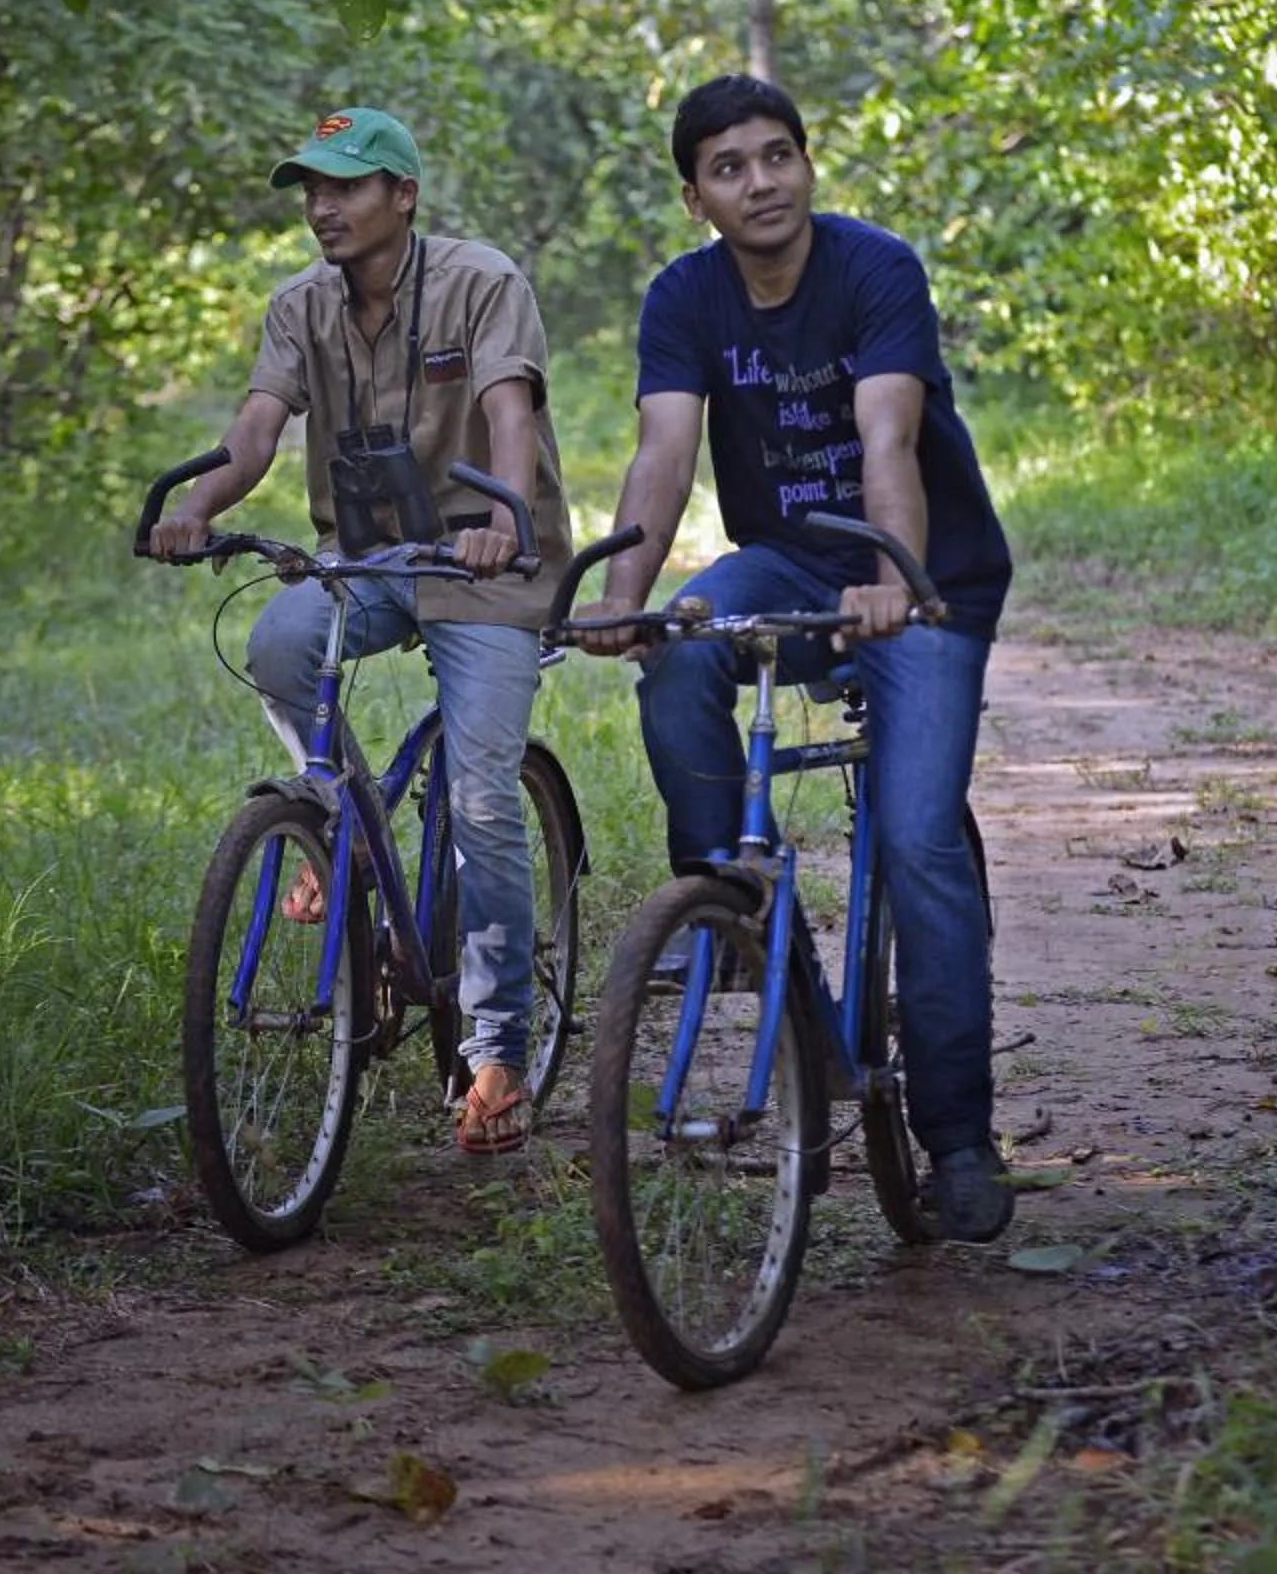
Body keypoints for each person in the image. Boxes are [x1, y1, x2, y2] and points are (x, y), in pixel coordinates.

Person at [572, 73, 1017, 1240]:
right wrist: (622, 599)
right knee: (681, 651)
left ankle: (958, 1136)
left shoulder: (876, 269)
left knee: (917, 841)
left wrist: (892, 578)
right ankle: (727, 899)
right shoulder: (685, 296)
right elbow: (665, 453)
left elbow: (889, 436)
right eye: (729, 167)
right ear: (695, 197)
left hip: (926, 580)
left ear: (808, 164)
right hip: (784, 561)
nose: (760, 182)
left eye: (779, 155)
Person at [149, 106, 573, 1156]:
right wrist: (196, 505)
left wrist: (503, 520)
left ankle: (497, 1049)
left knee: (482, 798)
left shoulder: (483, 281)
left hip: (487, 558)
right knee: (279, 642)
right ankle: (345, 829)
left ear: (404, 195)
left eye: (344, 185)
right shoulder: (300, 304)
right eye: (312, 188)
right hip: (369, 556)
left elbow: (510, 415)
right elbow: (257, 426)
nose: (322, 206)